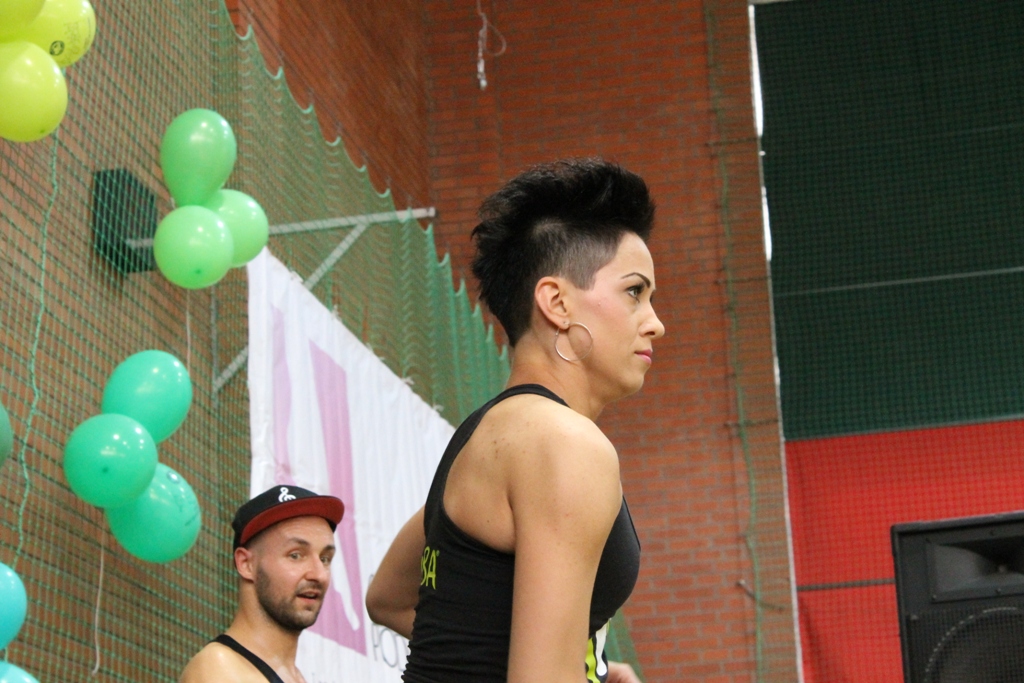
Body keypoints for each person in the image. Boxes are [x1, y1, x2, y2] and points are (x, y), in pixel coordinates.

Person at [366, 158, 665, 683]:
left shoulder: (485, 436)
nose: (655, 323)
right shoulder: (566, 443)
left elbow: (387, 597)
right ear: (556, 303)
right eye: (634, 292)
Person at [179, 485, 345, 683]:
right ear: (246, 564)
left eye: (325, 559)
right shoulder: (220, 669)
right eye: (295, 555)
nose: (318, 575)